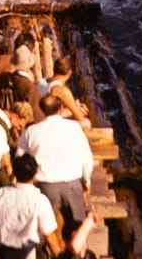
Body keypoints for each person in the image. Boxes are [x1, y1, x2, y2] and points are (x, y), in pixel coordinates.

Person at [17, 97, 94, 228]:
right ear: (61, 108)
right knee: (77, 229)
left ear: (42, 109)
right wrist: (87, 180)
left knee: (44, 228)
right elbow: (87, 158)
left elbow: (20, 159)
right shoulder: (74, 128)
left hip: (44, 187)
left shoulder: (31, 132)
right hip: (72, 185)